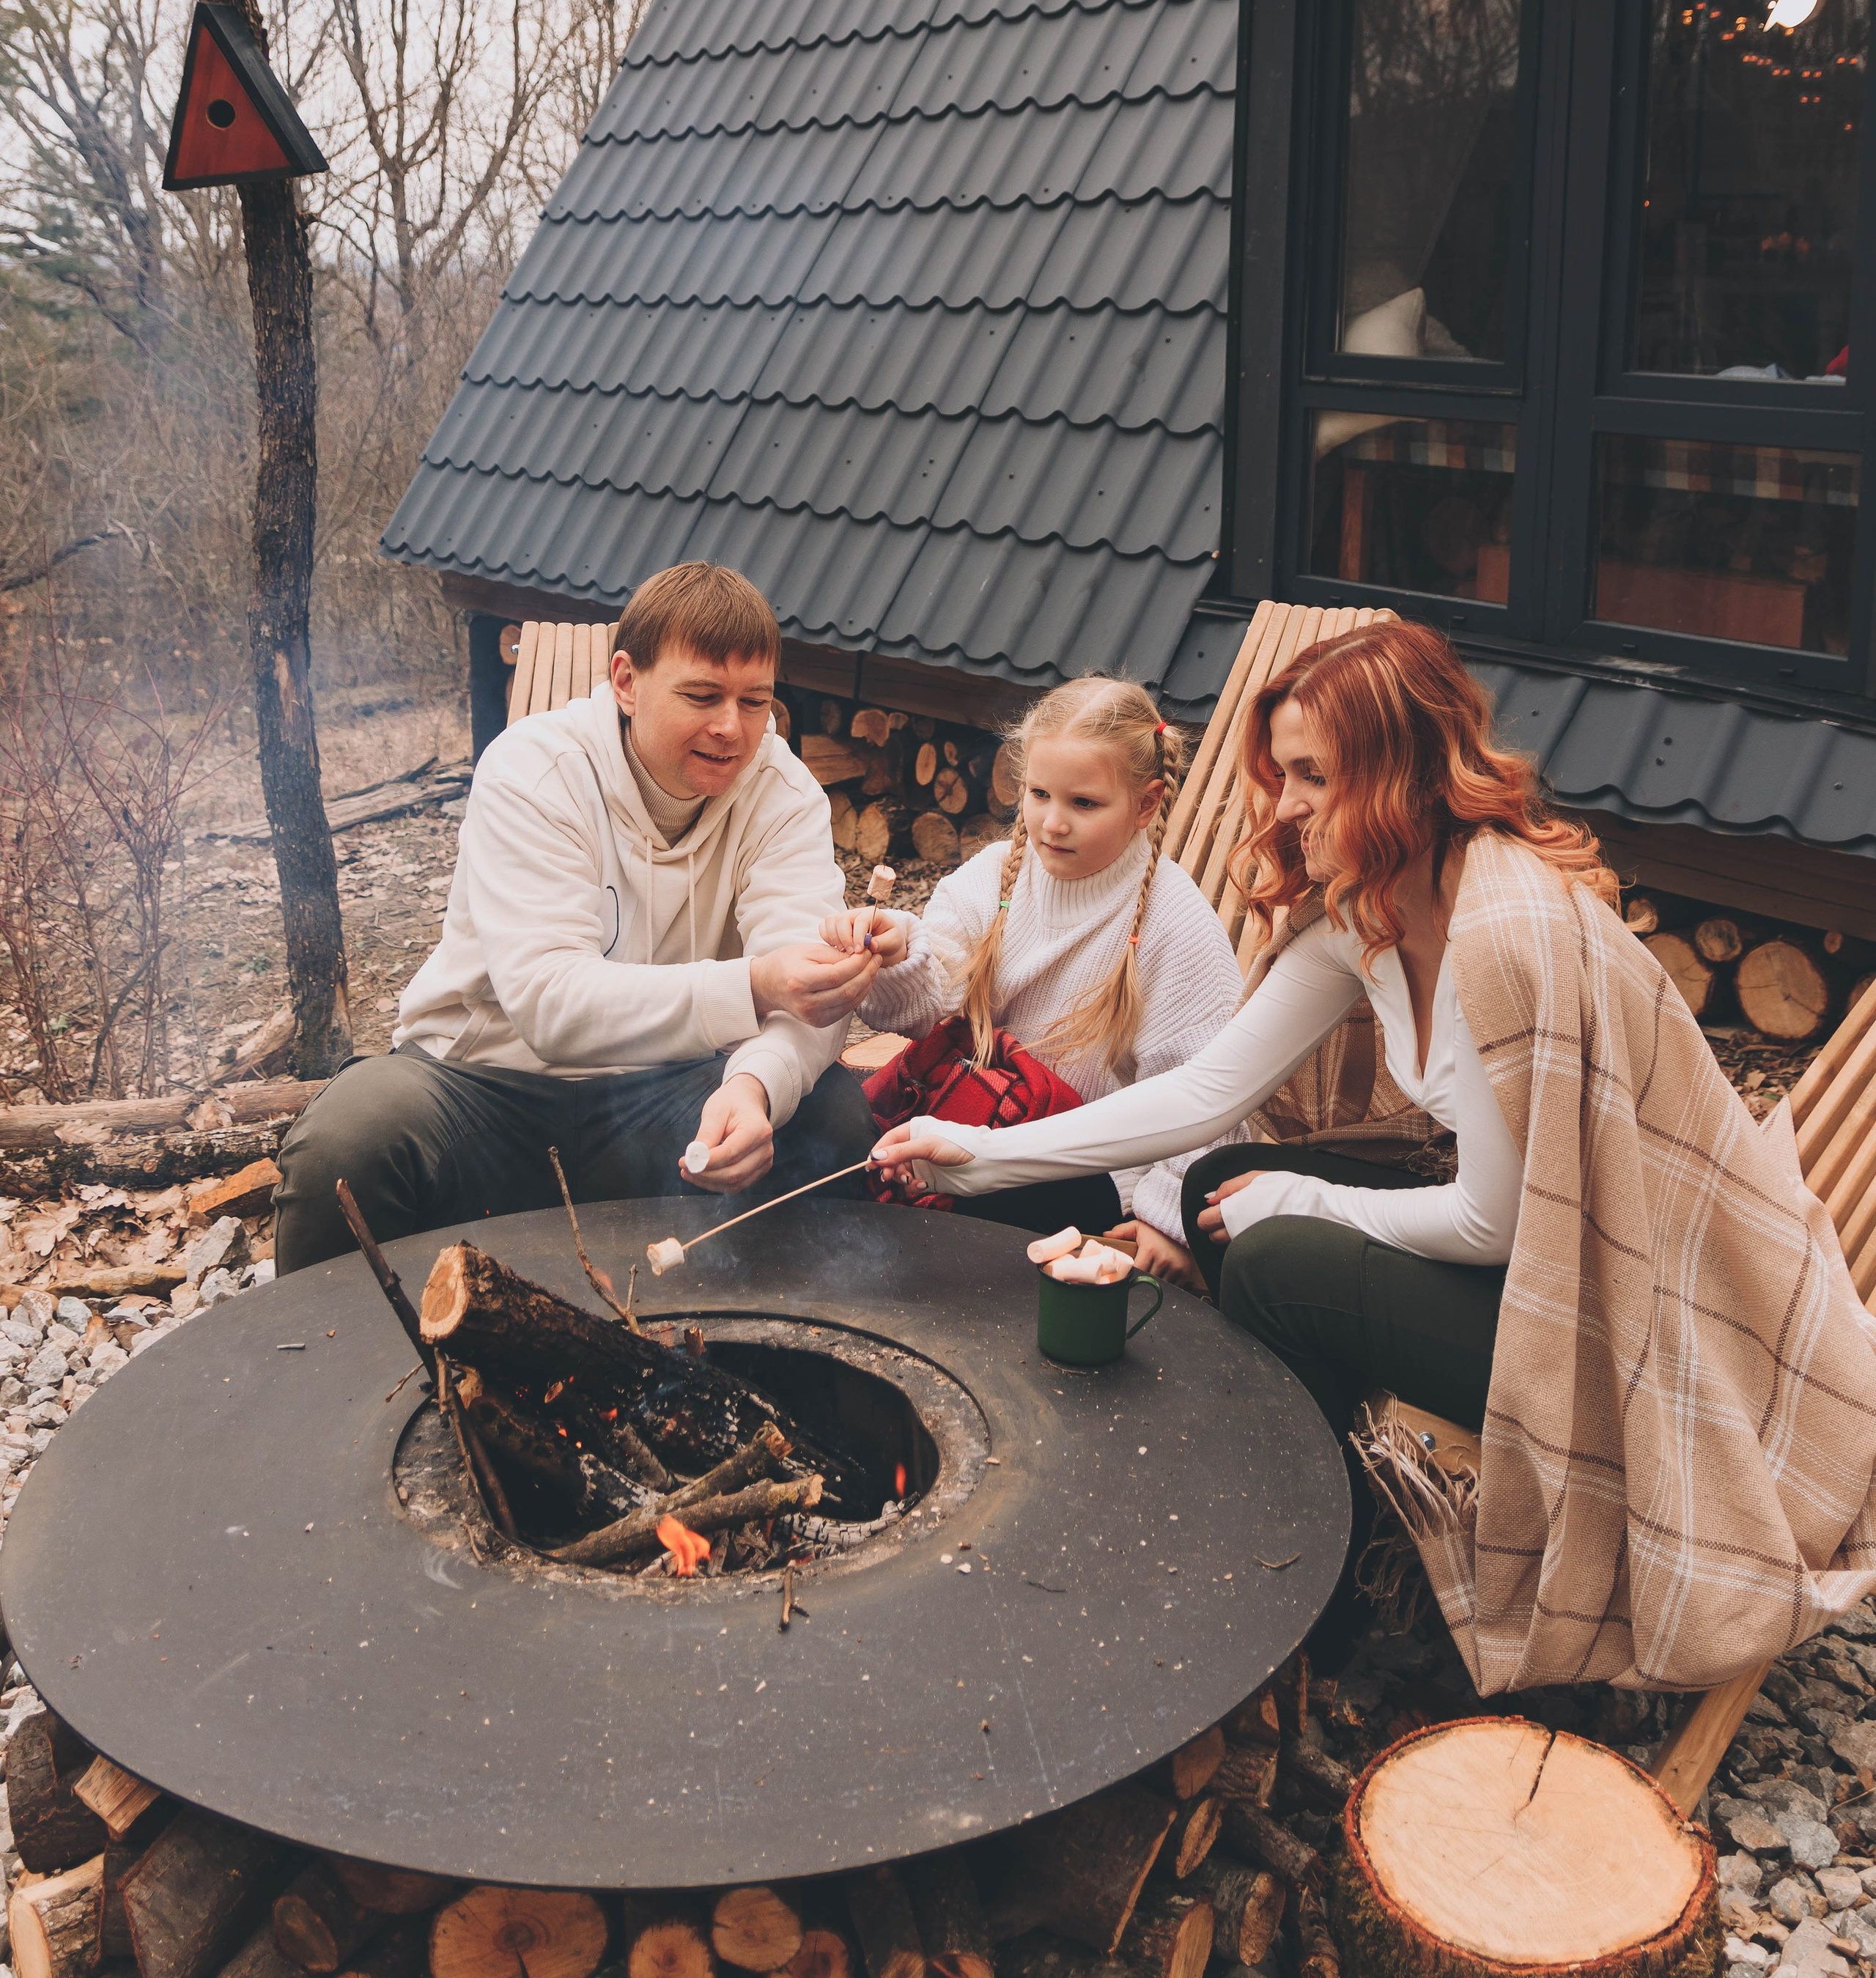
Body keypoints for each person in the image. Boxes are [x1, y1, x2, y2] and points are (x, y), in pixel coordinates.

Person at [876, 621, 1876, 1694]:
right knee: (1219, 1187)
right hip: (1534, 1256)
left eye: (1315, 775)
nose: (1286, 803)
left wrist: (1299, 1196)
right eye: (1283, 773)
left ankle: (1319, 1593)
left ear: (1400, 774)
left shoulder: (1503, 934)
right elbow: (1210, 1092)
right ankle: (1317, 1526)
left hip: (1625, 1320)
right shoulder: (1375, 909)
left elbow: (1496, 1223)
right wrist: (984, 1152)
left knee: (1274, 1257)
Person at [274, 563, 880, 1272]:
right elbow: (551, 1004)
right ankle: (329, 1369)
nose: (730, 728)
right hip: (483, 1089)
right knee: (349, 1137)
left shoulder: (782, 792)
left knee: (828, 1112)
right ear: (626, 681)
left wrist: (754, 1087)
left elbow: (811, 996)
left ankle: (770, 1366)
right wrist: (754, 984)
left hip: (663, 1099)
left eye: (755, 703)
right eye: (702, 696)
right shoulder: (537, 771)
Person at [825, 676, 1246, 1288]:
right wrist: (897, 955)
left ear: (1147, 804)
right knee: (832, 1130)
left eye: (1084, 804)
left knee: (966, 1214)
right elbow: (919, 1011)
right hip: (978, 1115)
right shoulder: (996, 878)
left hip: (1087, 1172)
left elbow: (1208, 1094)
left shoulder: (1176, 927)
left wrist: (1165, 1216)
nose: (1052, 822)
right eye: (1039, 793)